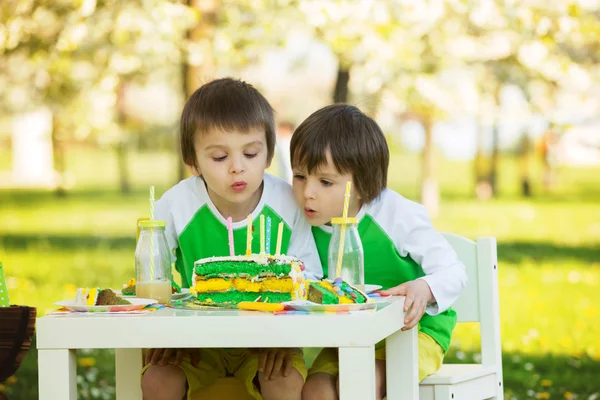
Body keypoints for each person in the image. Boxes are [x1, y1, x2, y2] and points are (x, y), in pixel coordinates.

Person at [142, 78, 322, 400]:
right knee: (158, 379)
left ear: (268, 154)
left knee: (284, 381)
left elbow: (310, 278)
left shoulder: (286, 201)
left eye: (251, 154)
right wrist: (165, 331)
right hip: (195, 338)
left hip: (270, 340)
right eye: (220, 158)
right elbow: (152, 277)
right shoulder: (175, 206)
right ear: (193, 160)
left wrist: (284, 339)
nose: (238, 168)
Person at [290, 104, 467, 400]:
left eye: (325, 181)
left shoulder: (397, 215)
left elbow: (454, 271)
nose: (308, 192)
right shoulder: (303, 221)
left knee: (361, 382)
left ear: (361, 186)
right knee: (315, 391)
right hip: (347, 338)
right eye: (299, 177)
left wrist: (424, 288)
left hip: (412, 333)